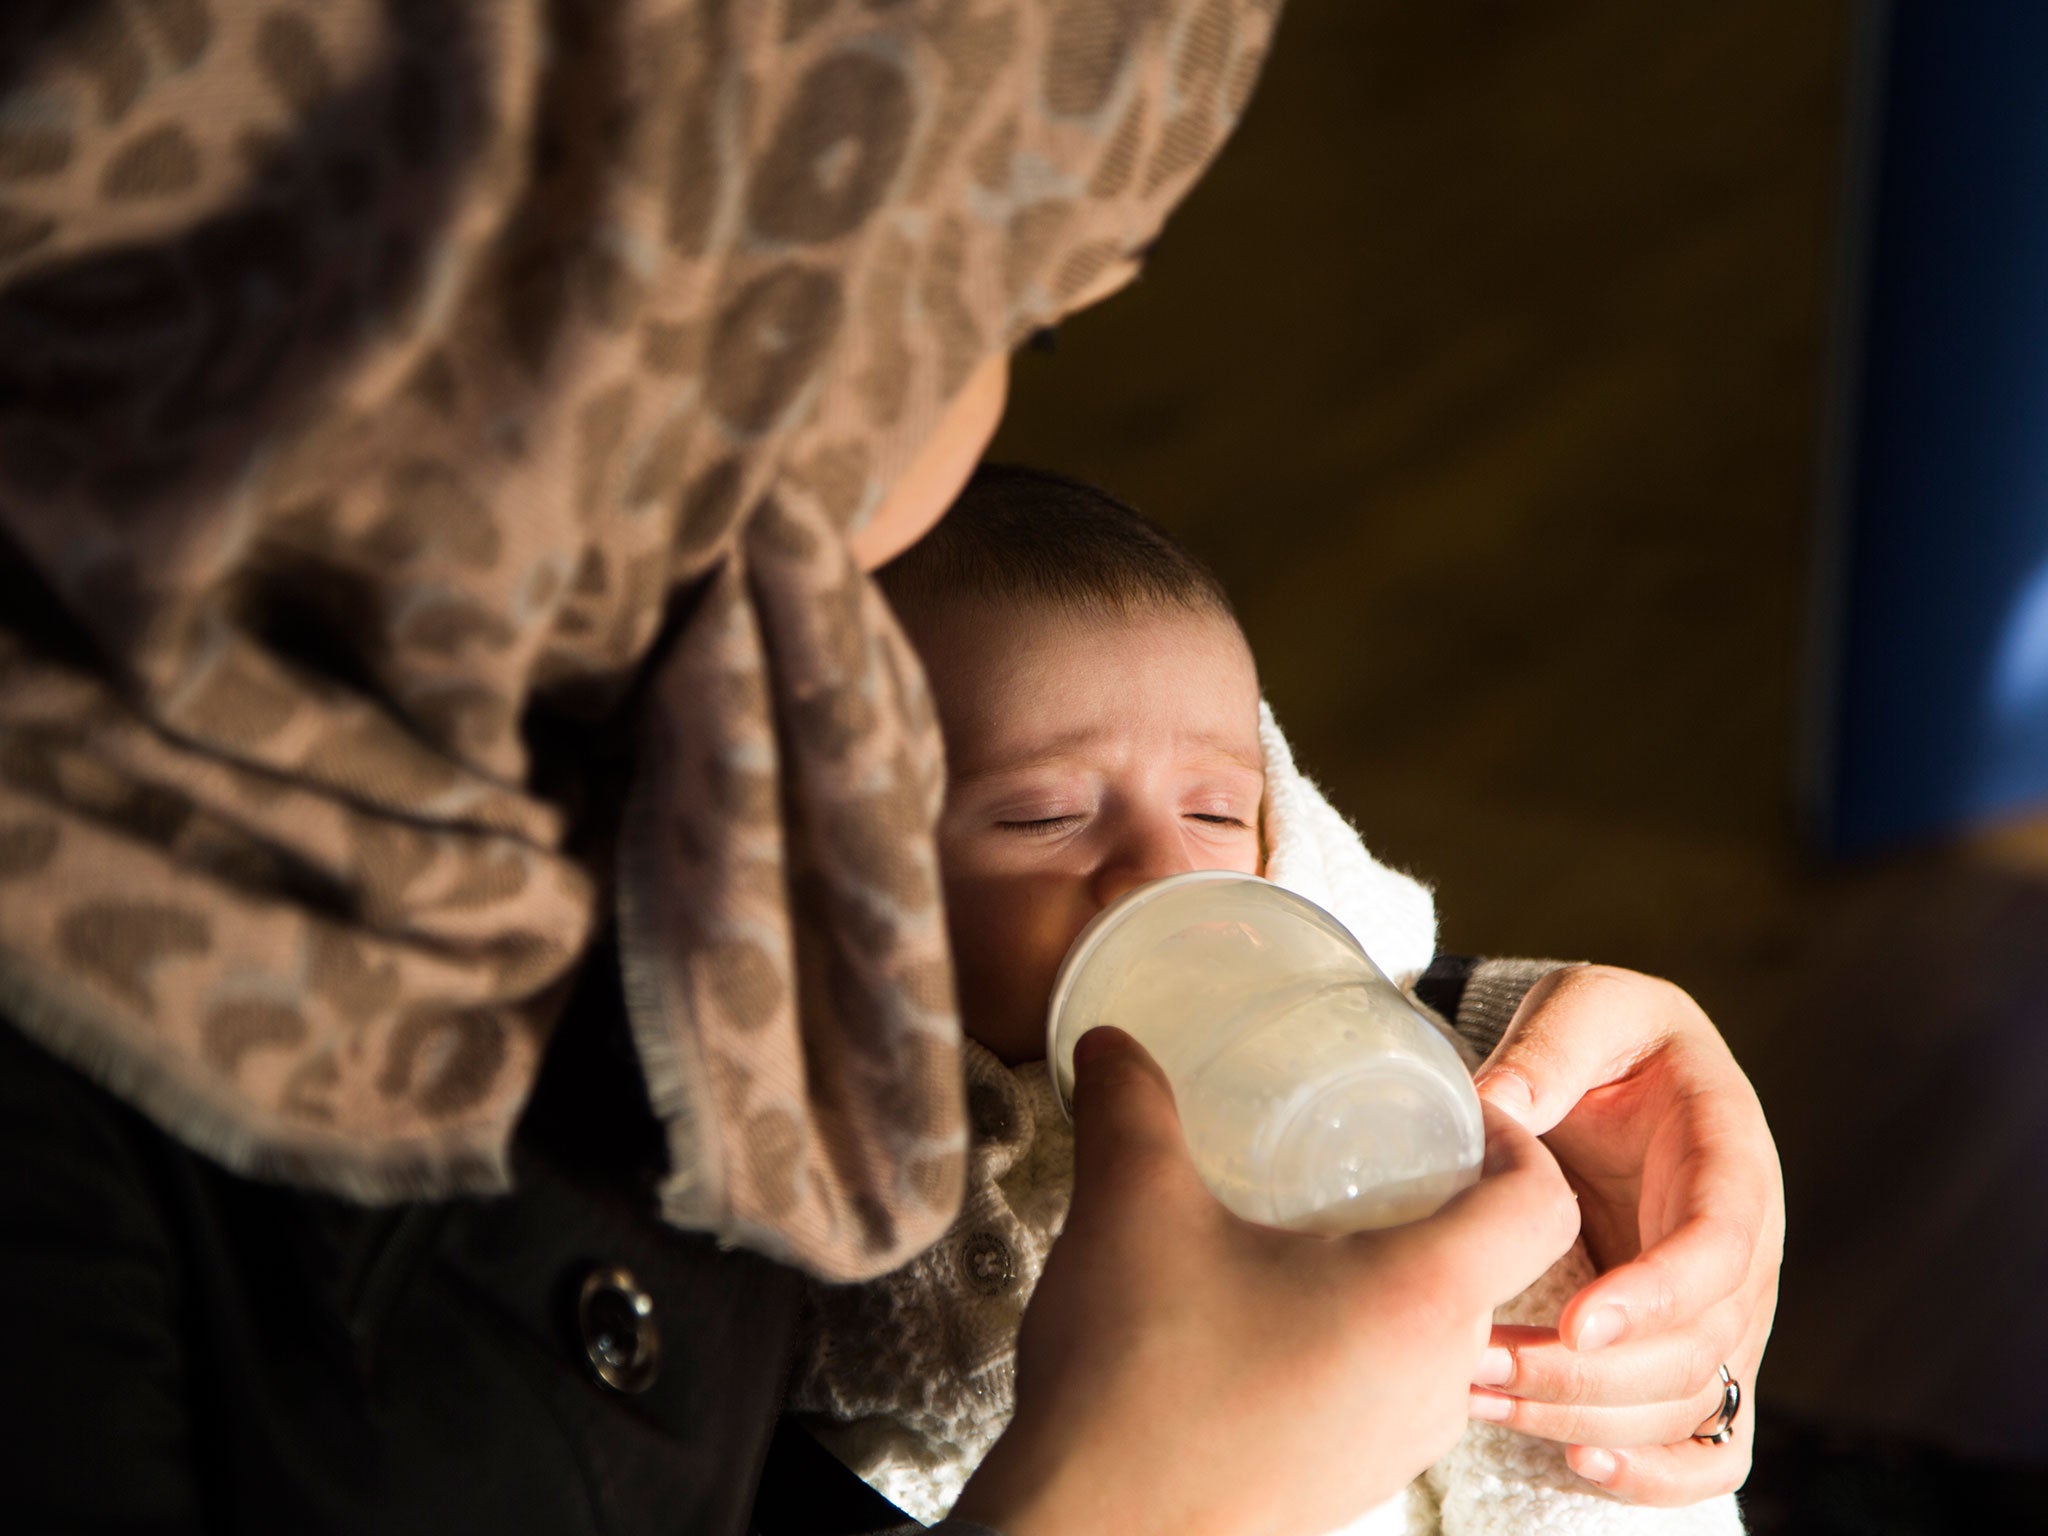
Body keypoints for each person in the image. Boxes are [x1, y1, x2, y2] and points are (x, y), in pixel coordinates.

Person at [0, 4, 1778, 1533]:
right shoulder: (86, 1184)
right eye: (980, 316)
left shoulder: (694, 661)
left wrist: (1606, 1260)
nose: (982, 401)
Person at [790, 465, 1747, 1535]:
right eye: (1042, 817)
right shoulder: (811, 1136)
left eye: (1213, 811)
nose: (1163, 872)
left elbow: (1538, 1414)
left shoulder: (1359, 1072)